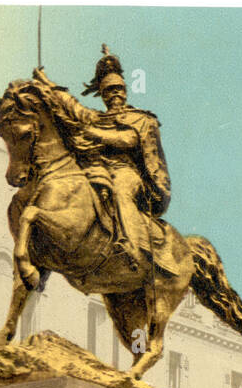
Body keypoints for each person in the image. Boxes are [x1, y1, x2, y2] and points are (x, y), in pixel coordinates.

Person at [32, 46, 171, 272]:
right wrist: (46, 83)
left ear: (125, 91)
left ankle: (134, 246)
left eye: (118, 89)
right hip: (99, 168)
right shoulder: (98, 118)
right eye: (108, 91)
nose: (114, 94)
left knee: (120, 191)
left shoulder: (139, 118)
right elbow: (73, 106)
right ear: (103, 95)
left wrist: (93, 133)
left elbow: (127, 140)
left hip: (127, 173)